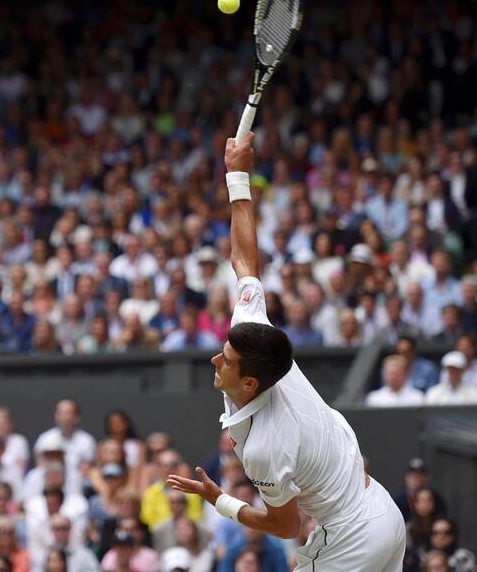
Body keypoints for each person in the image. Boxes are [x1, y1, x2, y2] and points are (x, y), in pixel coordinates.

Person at [165, 133, 405, 571]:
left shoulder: (264, 447)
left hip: (351, 537)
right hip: (384, 511)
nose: (216, 359)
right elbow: (244, 261)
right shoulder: (252, 334)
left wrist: (220, 500)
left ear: (250, 382)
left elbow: (287, 526)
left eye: (226, 361)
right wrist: (237, 175)